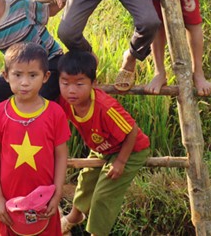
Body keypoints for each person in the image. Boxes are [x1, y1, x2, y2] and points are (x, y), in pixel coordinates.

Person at [57, 51, 150, 236]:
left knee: (103, 195)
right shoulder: (65, 102)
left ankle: (97, 233)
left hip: (130, 150)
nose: (71, 90)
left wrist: (121, 162)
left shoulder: (105, 107)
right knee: (86, 180)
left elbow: (132, 131)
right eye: (65, 83)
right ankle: (74, 217)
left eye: (79, 83)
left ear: (94, 83)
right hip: (102, 148)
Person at [0, 43, 70, 235]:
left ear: (46, 77)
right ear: (5, 76)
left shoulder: (55, 113)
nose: (24, 82)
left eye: (33, 75)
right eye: (17, 74)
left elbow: (62, 156)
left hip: (44, 201)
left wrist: (57, 194)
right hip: (9, 201)